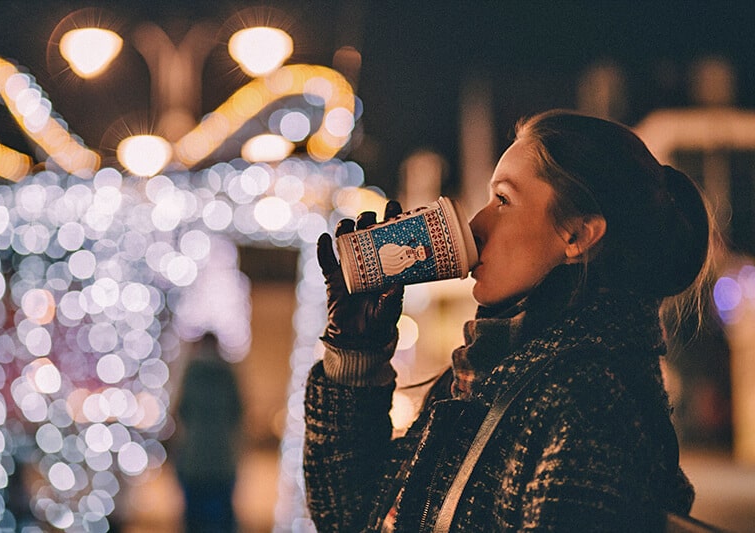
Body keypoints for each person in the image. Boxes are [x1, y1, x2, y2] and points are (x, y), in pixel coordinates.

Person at [304, 110, 713, 532]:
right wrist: (356, 352)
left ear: (578, 234)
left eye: (503, 200)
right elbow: (349, 516)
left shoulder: (592, 401)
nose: (477, 224)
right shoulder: (487, 372)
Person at [173, 333, 243, 533]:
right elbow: (237, 412)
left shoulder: (191, 373)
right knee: (221, 518)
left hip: (194, 458)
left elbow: (181, 410)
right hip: (222, 459)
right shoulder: (227, 374)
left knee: (195, 518)